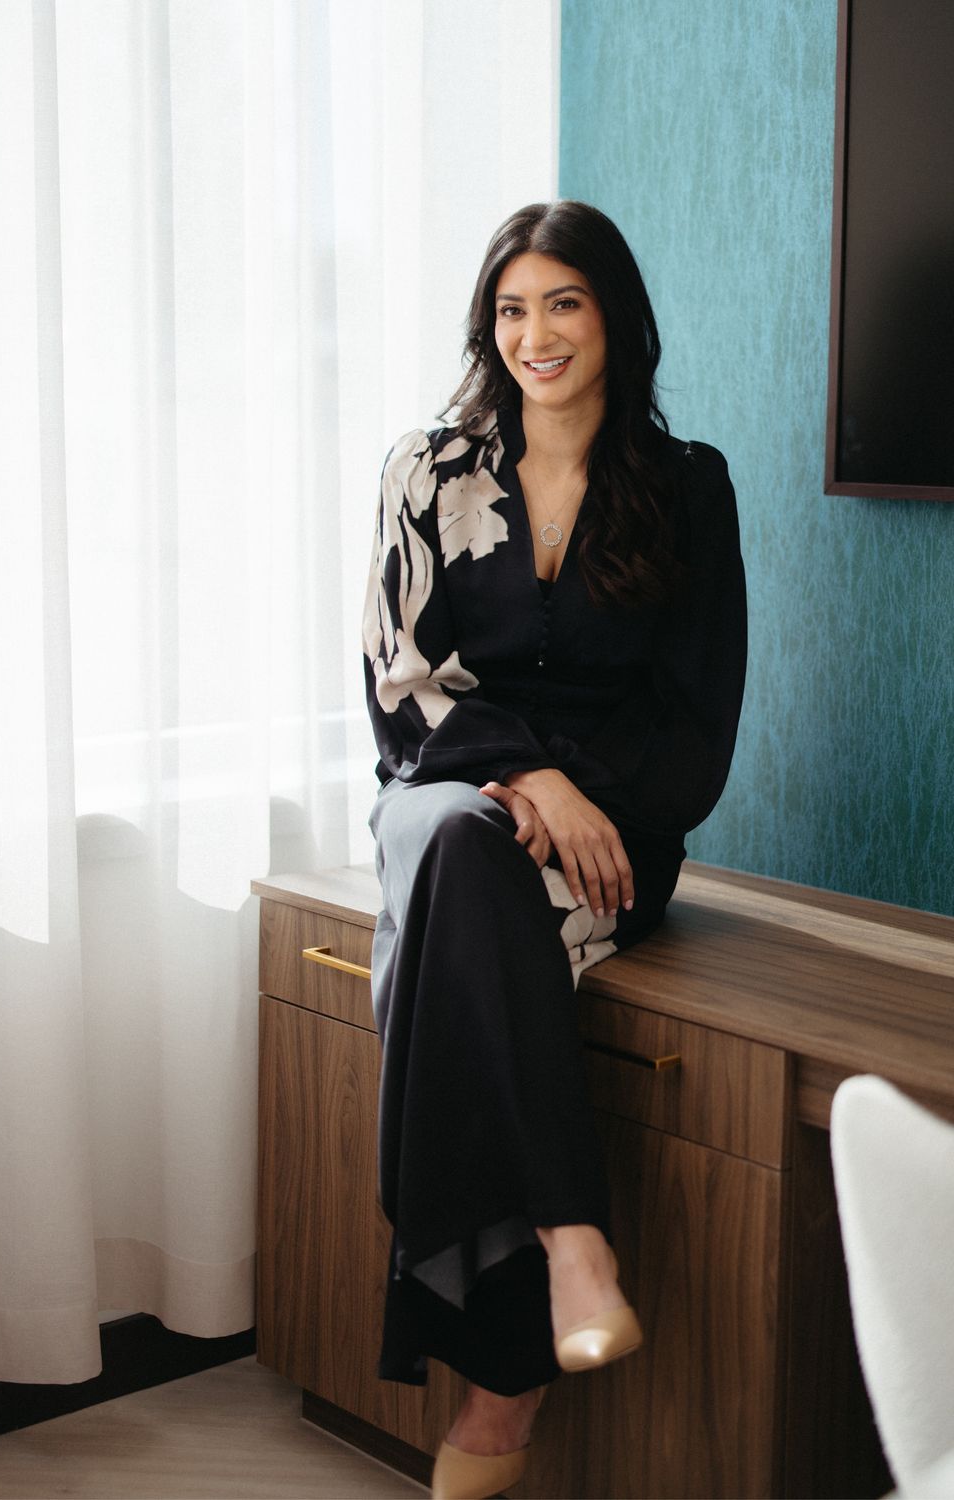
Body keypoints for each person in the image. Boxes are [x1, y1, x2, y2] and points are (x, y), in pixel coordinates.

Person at [361, 199, 747, 1500]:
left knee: (463, 911)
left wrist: (584, 806)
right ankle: (572, 1252)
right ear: (490, 326)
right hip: (444, 794)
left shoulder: (686, 487)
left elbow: (698, 728)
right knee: (458, 848)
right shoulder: (425, 468)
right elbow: (399, 683)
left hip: (611, 840)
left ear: (613, 317)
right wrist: (525, 773)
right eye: (513, 308)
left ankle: (496, 1397)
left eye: (564, 303)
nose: (537, 334)